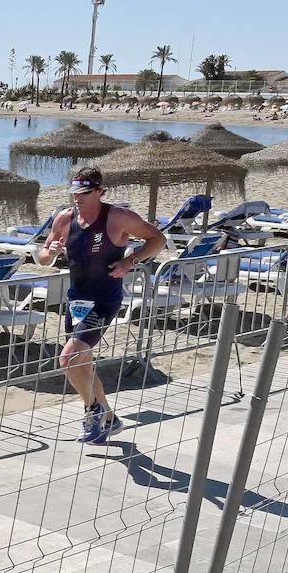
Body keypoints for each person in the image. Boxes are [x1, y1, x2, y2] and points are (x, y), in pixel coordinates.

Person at [38, 167, 167, 444]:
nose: (78, 198)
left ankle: (92, 409)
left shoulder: (118, 217)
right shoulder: (65, 217)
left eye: (84, 193)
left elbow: (158, 239)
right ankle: (109, 418)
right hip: (76, 299)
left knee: (68, 358)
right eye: (75, 193)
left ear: (99, 191)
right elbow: (43, 256)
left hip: (105, 299)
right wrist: (50, 252)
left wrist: (130, 261)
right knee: (82, 364)